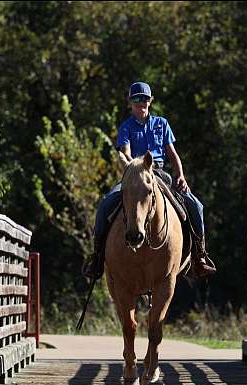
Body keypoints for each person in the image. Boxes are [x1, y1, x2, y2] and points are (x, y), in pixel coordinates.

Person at [82, 81, 216, 280]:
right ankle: (98, 257)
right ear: (130, 102)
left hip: (159, 172)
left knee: (196, 205)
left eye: (144, 99)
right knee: (105, 205)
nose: (141, 103)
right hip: (133, 174)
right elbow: (125, 152)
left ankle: (199, 256)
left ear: (150, 101)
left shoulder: (161, 124)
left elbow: (173, 154)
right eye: (136, 99)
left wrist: (180, 175)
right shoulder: (126, 127)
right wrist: (128, 162)